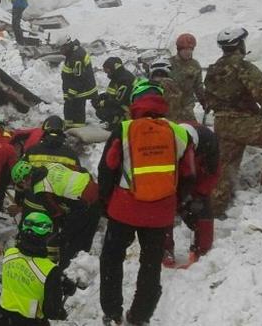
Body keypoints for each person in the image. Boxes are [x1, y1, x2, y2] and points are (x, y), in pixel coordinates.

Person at [98, 80, 196, 326]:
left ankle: (112, 312)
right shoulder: (180, 132)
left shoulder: (124, 129)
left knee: (111, 258)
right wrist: (175, 202)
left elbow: (107, 168)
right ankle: (139, 316)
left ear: (136, 102)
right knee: (151, 264)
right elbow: (189, 174)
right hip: (160, 213)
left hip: (124, 208)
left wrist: (105, 201)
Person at [203, 27, 262, 215]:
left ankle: (214, 212)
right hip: (243, 122)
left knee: (224, 167)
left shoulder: (213, 69)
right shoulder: (244, 67)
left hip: (221, 123)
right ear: (240, 44)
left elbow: (208, 98)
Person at [11, 160, 99, 268]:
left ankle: (68, 269)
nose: (24, 188)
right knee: (86, 234)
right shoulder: (52, 165)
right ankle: (83, 262)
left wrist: (62, 232)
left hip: (85, 204)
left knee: (69, 240)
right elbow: (81, 170)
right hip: (95, 191)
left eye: (21, 184)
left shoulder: (41, 189)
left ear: (25, 180)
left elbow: (57, 214)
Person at [0, 212, 76, 326]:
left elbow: (26, 275)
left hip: (5, 320)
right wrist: (60, 311)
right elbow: (52, 312)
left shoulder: (9, 254)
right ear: (47, 237)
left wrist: (60, 281)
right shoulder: (50, 270)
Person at [163, 122, 219, 267]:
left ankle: (201, 250)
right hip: (172, 180)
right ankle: (165, 249)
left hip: (197, 178)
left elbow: (213, 172)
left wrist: (200, 194)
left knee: (203, 211)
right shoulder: (167, 142)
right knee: (164, 209)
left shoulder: (209, 141)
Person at [54, 35, 97, 128]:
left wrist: (71, 93)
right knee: (69, 108)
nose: (60, 51)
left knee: (77, 111)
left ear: (66, 46)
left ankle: (78, 130)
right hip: (75, 88)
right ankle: (69, 127)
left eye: (61, 49)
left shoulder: (77, 57)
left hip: (80, 90)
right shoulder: (72, 53)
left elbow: (79, 78)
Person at [169, 33, 205, 121]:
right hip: (170, 108)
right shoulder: (168, 64)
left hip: (187, 109)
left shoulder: (195, 65)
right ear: (179, 50)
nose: (188, 52)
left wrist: (205, 102)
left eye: (190, 49)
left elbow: (198, 86)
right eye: (185, 49)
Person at [94, 57, 136, 128]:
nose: (106, 72)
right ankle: (114, 120)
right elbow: (112, 93)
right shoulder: (117, 77)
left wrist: (103, 103)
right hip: (120, 103)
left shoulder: (124, 79)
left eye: (107, 69)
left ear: (114, 68)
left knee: (102, 111)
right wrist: (102, 96)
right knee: (97, 102)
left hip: (127, 108)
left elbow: (120, 100)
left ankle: (118, 122)